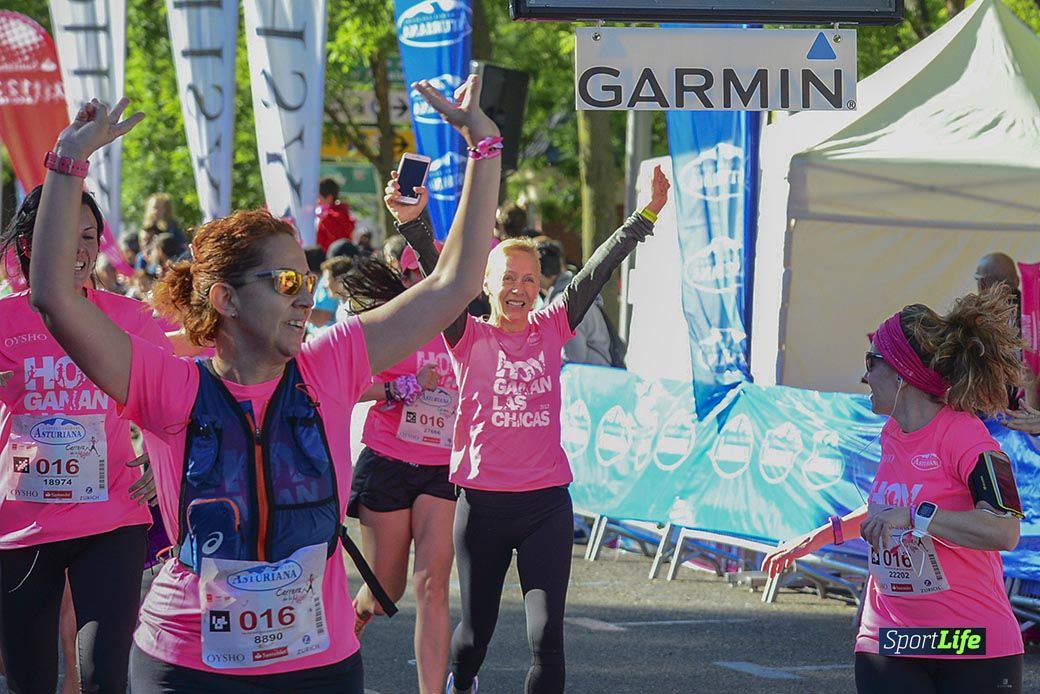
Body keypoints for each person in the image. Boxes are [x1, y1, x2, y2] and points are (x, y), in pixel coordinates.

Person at [29, 83, 499, 691]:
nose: (305, 294)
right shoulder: (168, 386)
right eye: (283, 281)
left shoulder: (331, 364)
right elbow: (53, 297)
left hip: (318, 665)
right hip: (187, 666)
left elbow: (454, 284)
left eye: (305, 278)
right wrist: (69, 162)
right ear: (224, 298)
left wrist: (483, 147)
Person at [399, 166, 670, 694]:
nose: (520, 288)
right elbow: (437, 277)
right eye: (508, 278)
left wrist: (646, 214)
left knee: (547, 637)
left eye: (529, 278)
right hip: (482, 506)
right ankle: (462, 680)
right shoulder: (467, 334)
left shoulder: (553, 327)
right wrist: (413, 224)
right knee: (477, 635)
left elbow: (599, 267)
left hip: (546, 503)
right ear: (486, 285)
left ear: (540, 285)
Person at [762, 289, 1026, 693]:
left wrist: (918, 516)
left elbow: (1004, 531)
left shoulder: (968, 437)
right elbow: (885, 510)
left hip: (971, 642)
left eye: (871, 362)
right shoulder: (892, 433)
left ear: (903, 373)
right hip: (891, 638)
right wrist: (817, 537)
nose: (863, 376)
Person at [0, 185, 166, 694]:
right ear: (30, 244)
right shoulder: (3, 320)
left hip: (111, 517)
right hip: (21, 524)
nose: (79, 249)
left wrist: (160, 460)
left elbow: (177, 404)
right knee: (29, 679)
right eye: (65, 236)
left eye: (90, 236)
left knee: (103, 677)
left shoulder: (131, 318)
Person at [338, 177, 457, 693]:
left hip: (443, 468)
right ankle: (351, 622)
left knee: (431, 587)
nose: (417, 276)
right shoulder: (385, 324)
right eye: (408, 269)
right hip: (387, 461)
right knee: (384, 592)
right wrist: (402, 386)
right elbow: (345, 386)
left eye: (425, 268)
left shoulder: (466, 324)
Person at [538, 239, 612, 366]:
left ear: (543, 273)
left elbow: (574, 357)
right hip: (596, 372)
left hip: (588, 378)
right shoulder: (573, 293)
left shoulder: (564, 304)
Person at [316, 178, 357, 252]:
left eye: (319, 197)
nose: (317, 200)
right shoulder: (343, 213)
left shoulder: (332, 217)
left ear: (329, 198)